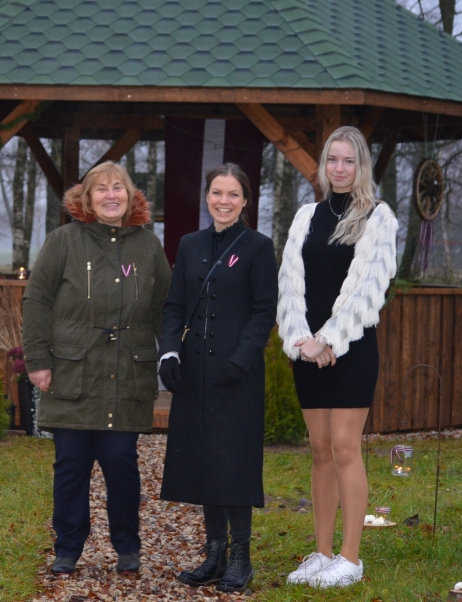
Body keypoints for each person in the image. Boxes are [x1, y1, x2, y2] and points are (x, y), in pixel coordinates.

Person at [22, 161, 171, 577]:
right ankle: (68, 547)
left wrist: (175, 356)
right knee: (71, 465)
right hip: (73, 373)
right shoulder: (64, 241)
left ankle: (127, 546)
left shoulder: (147, 246)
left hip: (125, 374)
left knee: (121, 462)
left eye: (118, 188)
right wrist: (37, 361)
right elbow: (37, 301)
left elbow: (165, 308)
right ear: (86, 199)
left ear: (130, 196)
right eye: (101, 189)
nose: (110, 195)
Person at [277, 126, 398, 588]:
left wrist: (329, 339)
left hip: (351, 349)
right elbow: (289, 284)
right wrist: (301, 339)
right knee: (320, 451)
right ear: (323, 165)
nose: (340, 168)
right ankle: (322, 553)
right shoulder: (307, 215)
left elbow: (369, 290)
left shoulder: (378, 217)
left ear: (361, 165)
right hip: (307, 351)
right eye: (333, 160)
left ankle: (351, 558)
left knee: (346, 448)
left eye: (348, 161)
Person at [158, 163, 278, 593]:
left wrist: (240, 360)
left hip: (236, 376)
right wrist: (169, 352)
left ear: (246, 201)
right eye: (216, 193)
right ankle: (214, 555)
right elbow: (174, 306)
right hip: (195, 373)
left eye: (232, 194)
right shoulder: (190, 245)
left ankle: (241, 559)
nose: (223, 201)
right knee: (205, 461)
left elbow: (265, 310)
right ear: (206, 197)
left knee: (234, 463)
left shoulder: (259, 247)